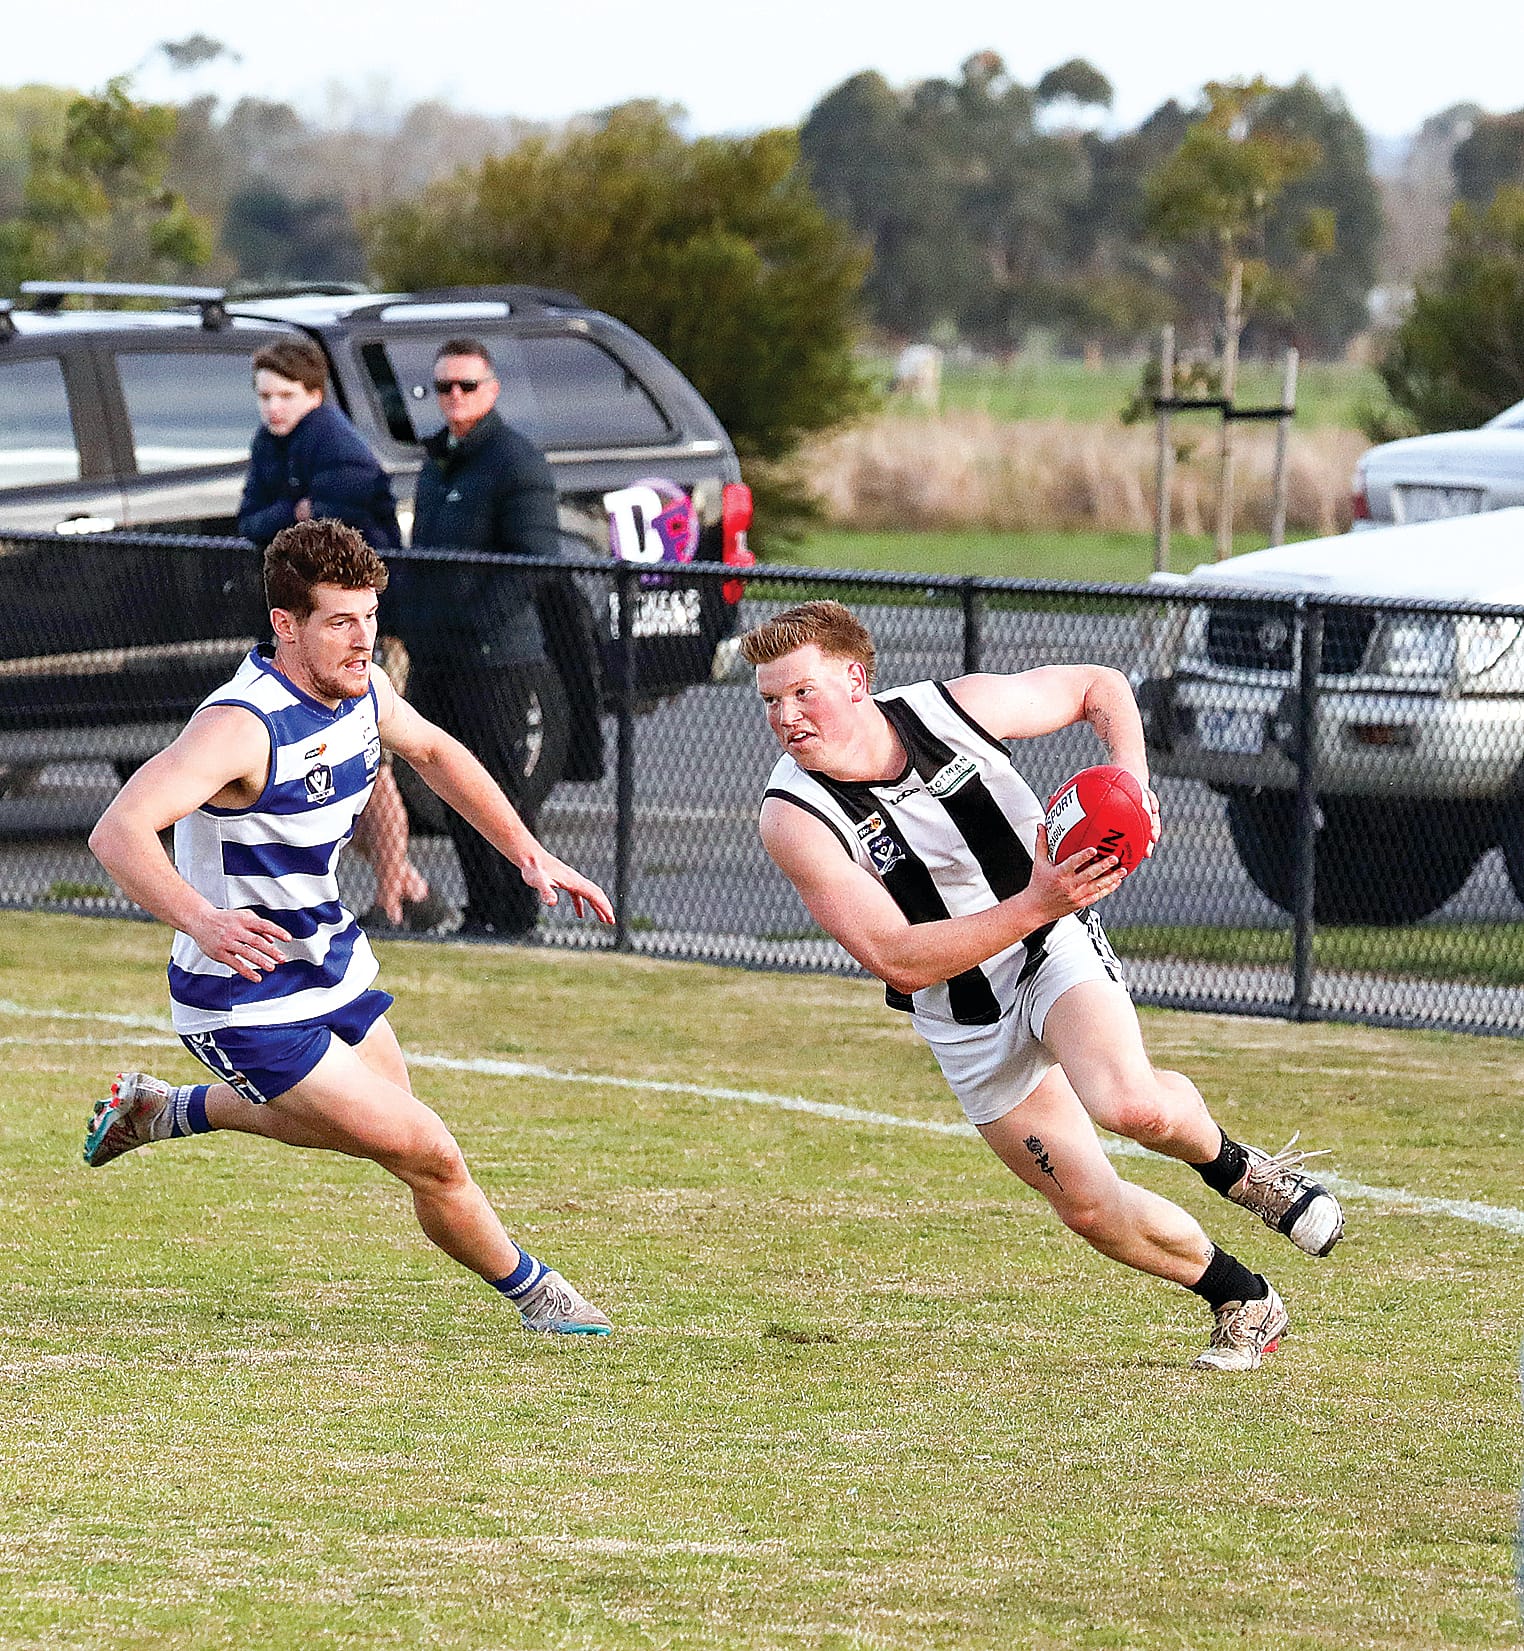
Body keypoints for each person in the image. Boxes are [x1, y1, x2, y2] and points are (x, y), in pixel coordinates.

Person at [741, 600, 1344, 1373]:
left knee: (1128, 1104)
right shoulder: (793, 815)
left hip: (1051, 948)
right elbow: (899, 958)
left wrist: (1130, 773)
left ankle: (1245, 1172)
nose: (785, 715)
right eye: (769, 700)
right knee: (1088, 1206)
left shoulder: (949, 709)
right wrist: (1038, 898)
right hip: (964, 1016)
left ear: (855, 679)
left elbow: (1100, 686)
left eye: (801, 691)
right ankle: (1244, 1298)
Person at [83, 519, 616, 1336]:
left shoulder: (364, 689)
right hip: (244, 995)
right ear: (285, 625)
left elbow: (437, 753)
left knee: (389, 1137)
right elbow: (117, 830)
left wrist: (529, 853)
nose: (362, 638)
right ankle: (540, 1295)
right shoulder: (241, 725)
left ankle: (166, 1110)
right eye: (339, 620)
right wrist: (202, 917)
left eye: (368, 616)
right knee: (429, 1153)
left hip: (331, 963)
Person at [238, 337, 451, 934]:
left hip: (361, 631)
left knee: (371, 757)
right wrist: (291, 510)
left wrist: (299, 514)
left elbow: (340, 518)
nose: (272, 408)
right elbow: (253, 518)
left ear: (314, 392)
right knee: (332, 765)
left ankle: (390, 902)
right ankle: (410, 888)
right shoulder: (271, 442)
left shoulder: (334, 441)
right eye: (264, 396)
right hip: (311, 631)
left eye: (285, 395)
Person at [399, 337, 571, 939]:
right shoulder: (437, 459)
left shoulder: (516, 461)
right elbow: (423, 554)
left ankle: (518, 914)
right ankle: (482, 909)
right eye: (443, 386)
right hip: (439, 655)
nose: (453, 397)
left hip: (498, 660)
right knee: (452, 789)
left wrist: (476, 624)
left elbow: (535, 561)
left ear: (491, 391)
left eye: (466, 386)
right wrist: (416, 621)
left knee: (499, 787)